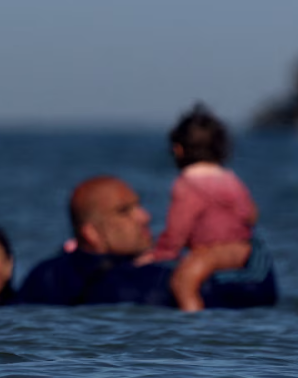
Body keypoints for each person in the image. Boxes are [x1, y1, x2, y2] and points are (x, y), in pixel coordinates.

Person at [17, 176, 276, 309]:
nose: (144, 216)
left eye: (138, 206)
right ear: (92, 233)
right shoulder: (156, 281)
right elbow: (260, 289)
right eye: (125, 211)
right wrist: (247, 243)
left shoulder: (42, 277)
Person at [143, 105, 259, 311]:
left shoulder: (188, 183)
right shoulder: (230, 178)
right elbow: (250, 215)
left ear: (178, 150)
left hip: (213, 252)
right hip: (244, 249)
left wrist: (160, 253)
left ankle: (194, 322)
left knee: (183, 282)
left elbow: (178, 229)